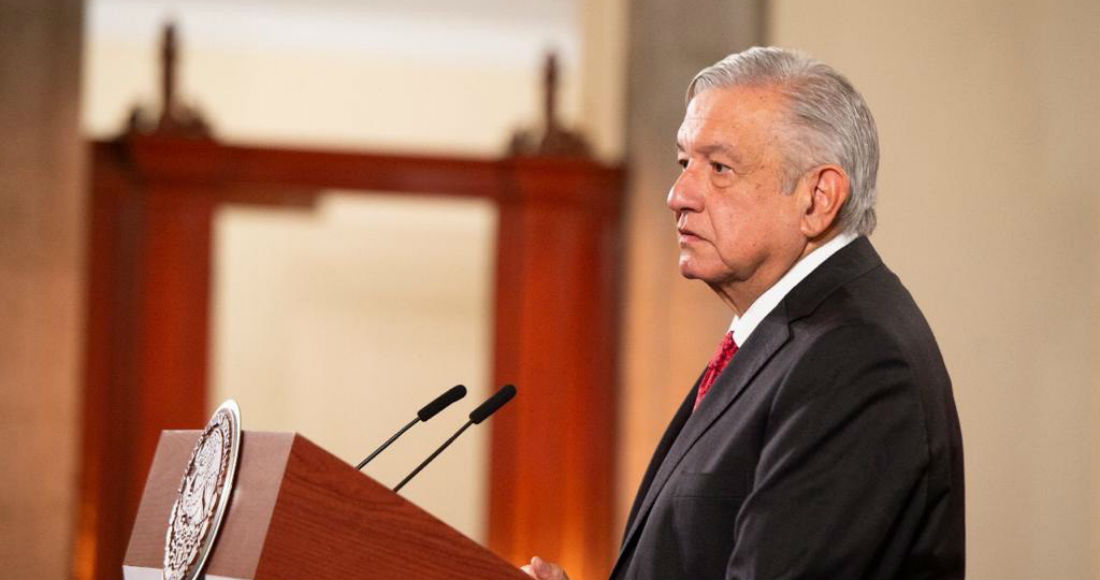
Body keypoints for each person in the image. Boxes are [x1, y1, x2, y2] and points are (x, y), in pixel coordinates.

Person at [522, 46, 965, 580]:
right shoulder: (792, 336)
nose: (678, 194)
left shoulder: (853, 357)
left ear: (818, 198)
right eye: (686, 162)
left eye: (720, 168)